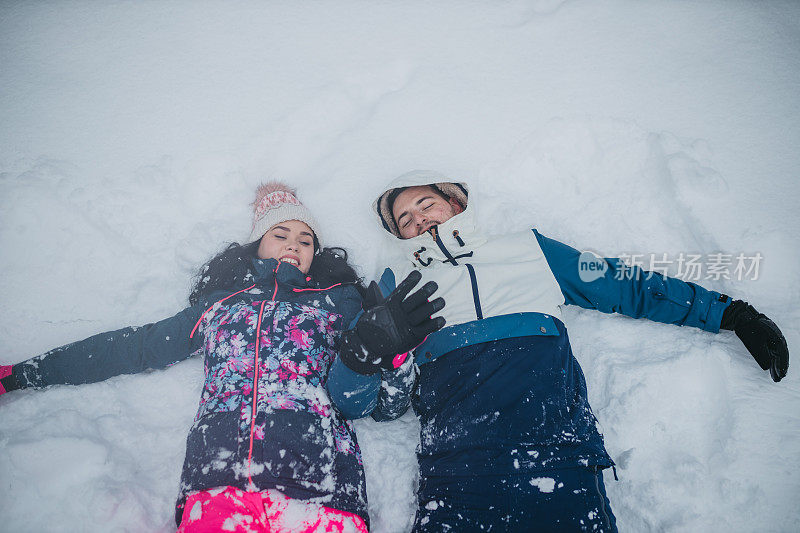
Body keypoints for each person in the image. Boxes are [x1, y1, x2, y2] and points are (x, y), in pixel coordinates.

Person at [0, 182, 445, 532]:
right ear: (257, 244)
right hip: (219, 485)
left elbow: (384, 404)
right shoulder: (219, 307)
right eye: (281, 233)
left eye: (307, 239)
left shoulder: (341, 303)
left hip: (323, 488)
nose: (294, 244)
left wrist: (392, 356)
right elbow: (132, 347)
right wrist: (21, 375)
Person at [364, 170, 790, 532]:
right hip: (458, 471)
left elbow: (625, 284)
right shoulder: (393, 286)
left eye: (426, 204)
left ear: (455, 203)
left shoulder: (530, 250)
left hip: (558, 456)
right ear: (399, 235)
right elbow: (381, 399)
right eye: (405, 218)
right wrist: (383, 356)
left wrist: (730, 314)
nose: (419, 219)